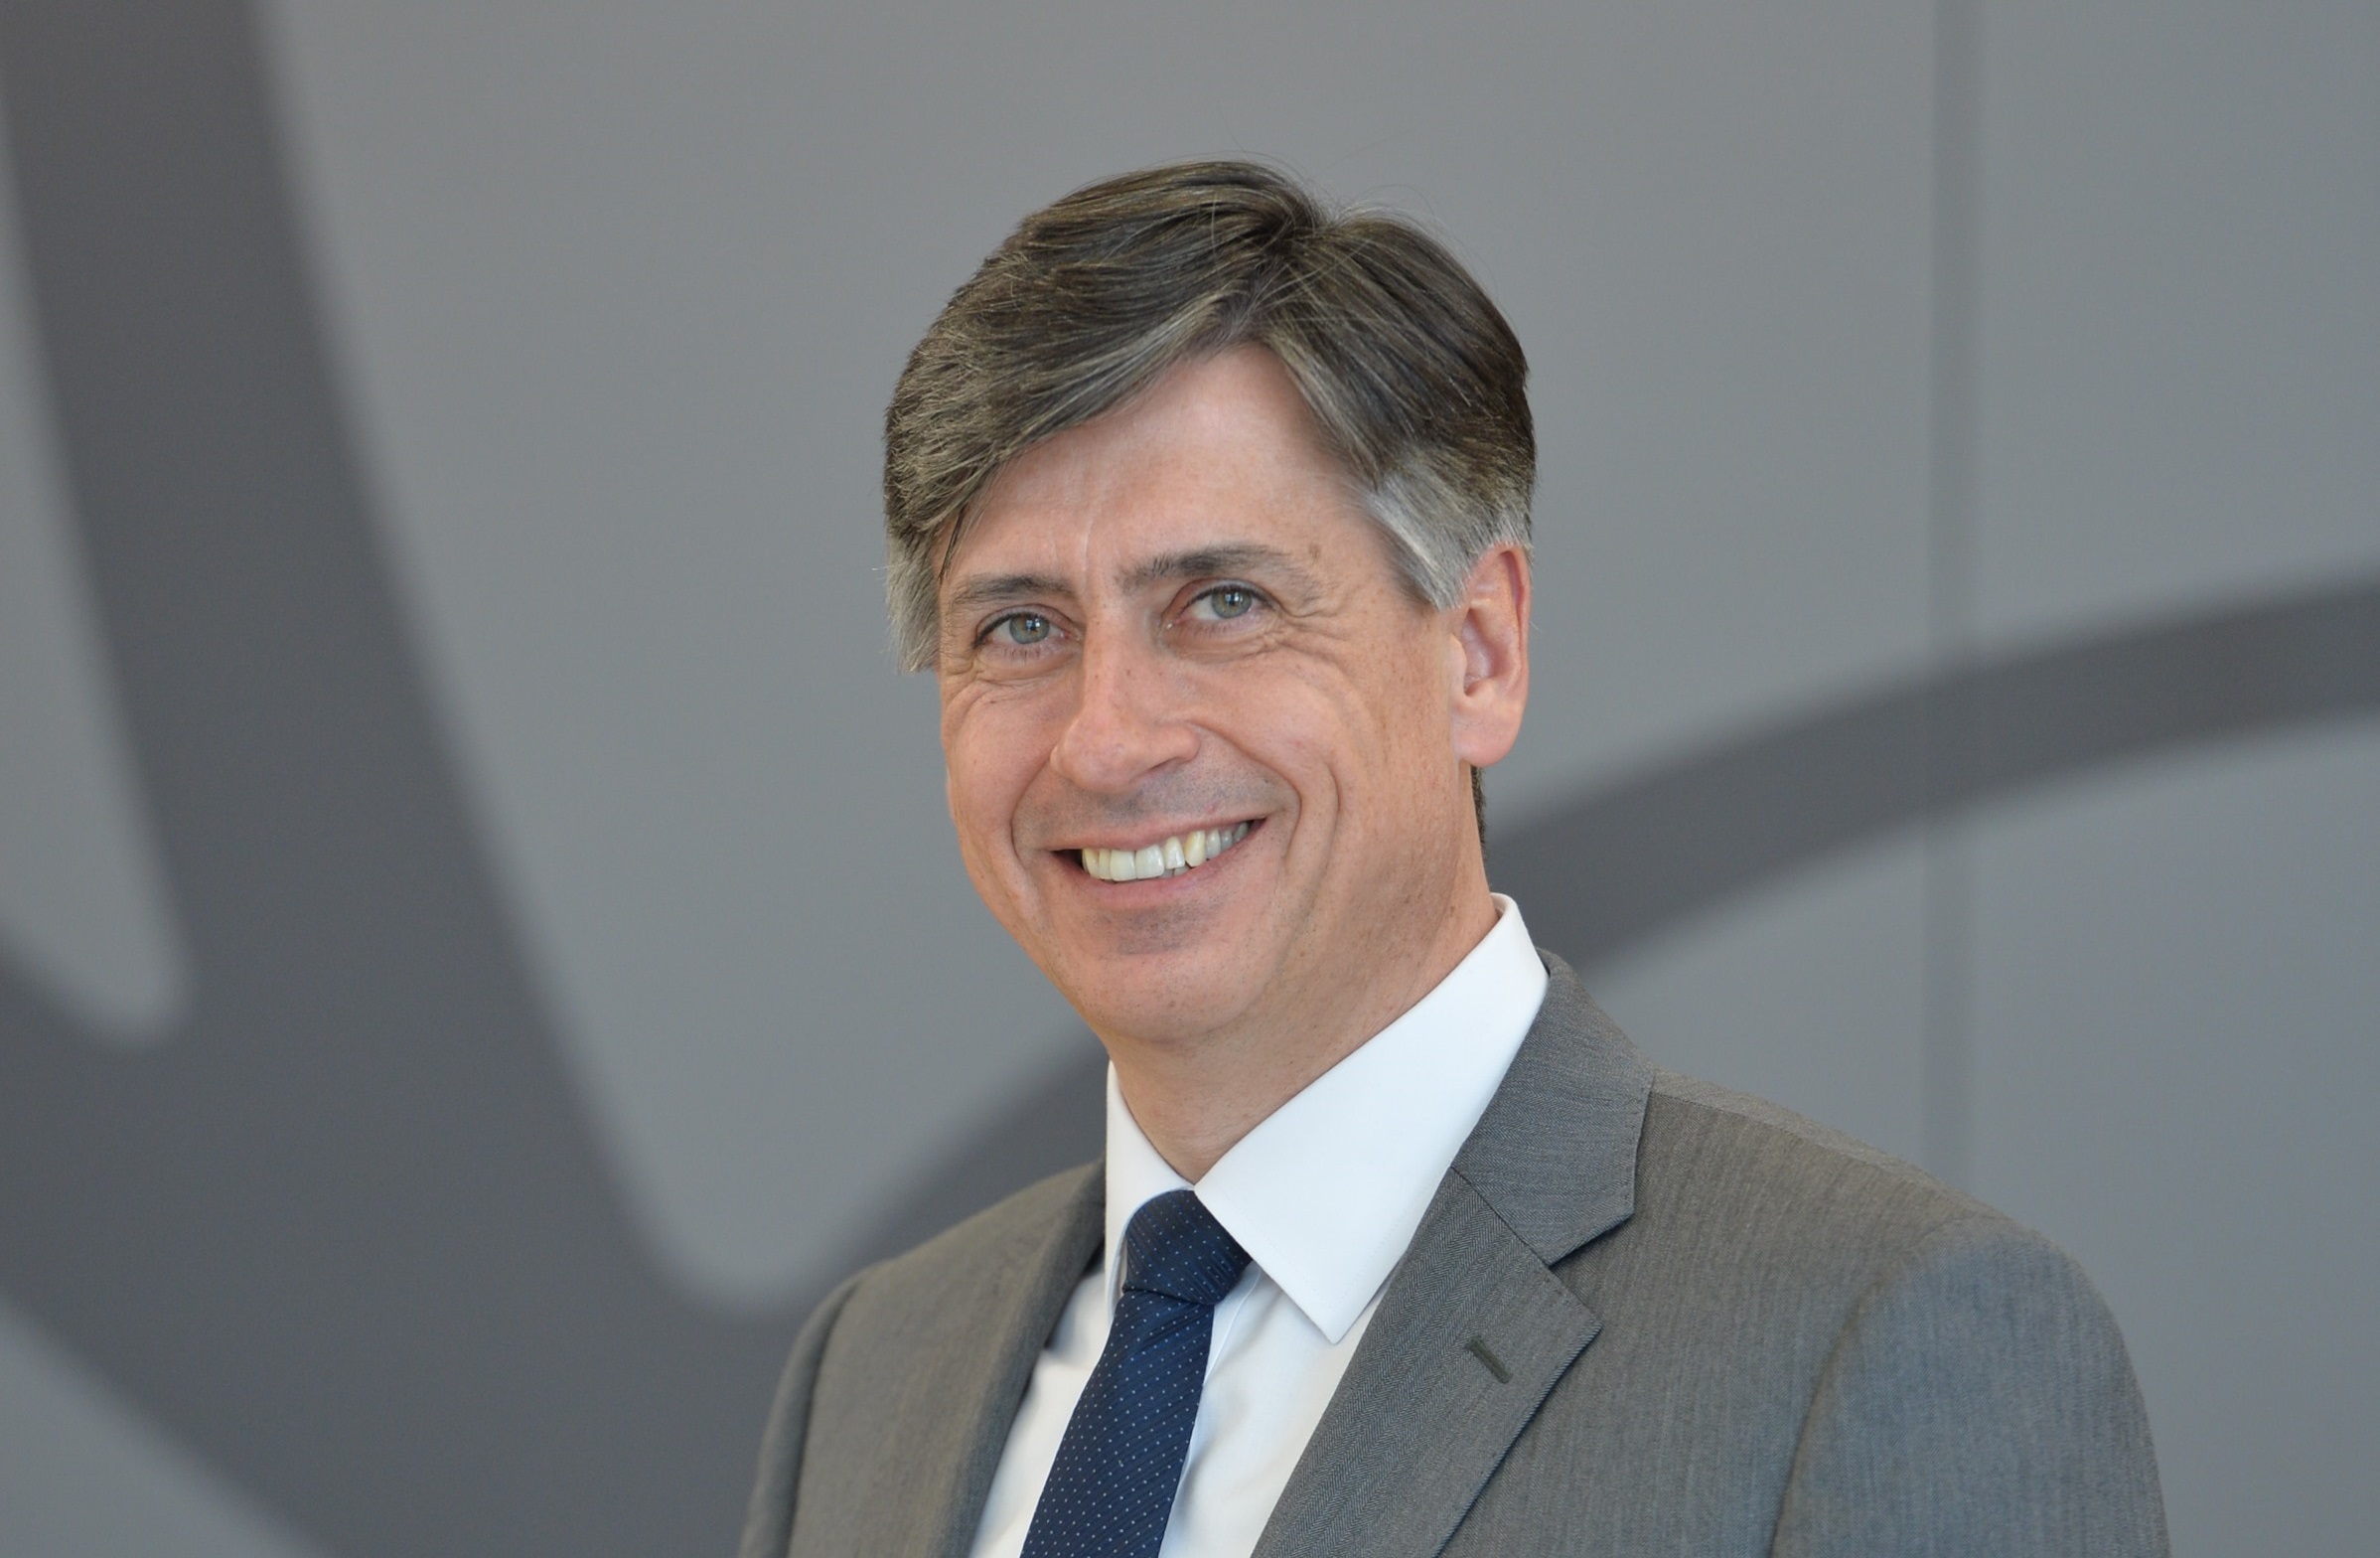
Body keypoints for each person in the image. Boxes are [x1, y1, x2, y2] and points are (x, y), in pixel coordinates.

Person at [739, 160, 2166, 1558]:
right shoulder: (875, 1374)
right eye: (1021, 629)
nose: (1106, 742)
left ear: (1478, 654)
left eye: (1224, 603)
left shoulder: (1881, 1342)